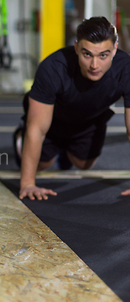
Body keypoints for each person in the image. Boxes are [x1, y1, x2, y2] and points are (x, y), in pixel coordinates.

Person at [15, 16, 130, 200]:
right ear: (76, 47)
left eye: (103, 55)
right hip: (53, 121)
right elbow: (37, 128)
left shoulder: (126, 69)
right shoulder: (53, 67)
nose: (94, 65)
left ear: (115, 49)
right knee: (41, 163)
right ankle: (21, 137)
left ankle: (67, 154)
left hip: (90, 119)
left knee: (84, 164)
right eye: (87, 55)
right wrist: (28, 183)